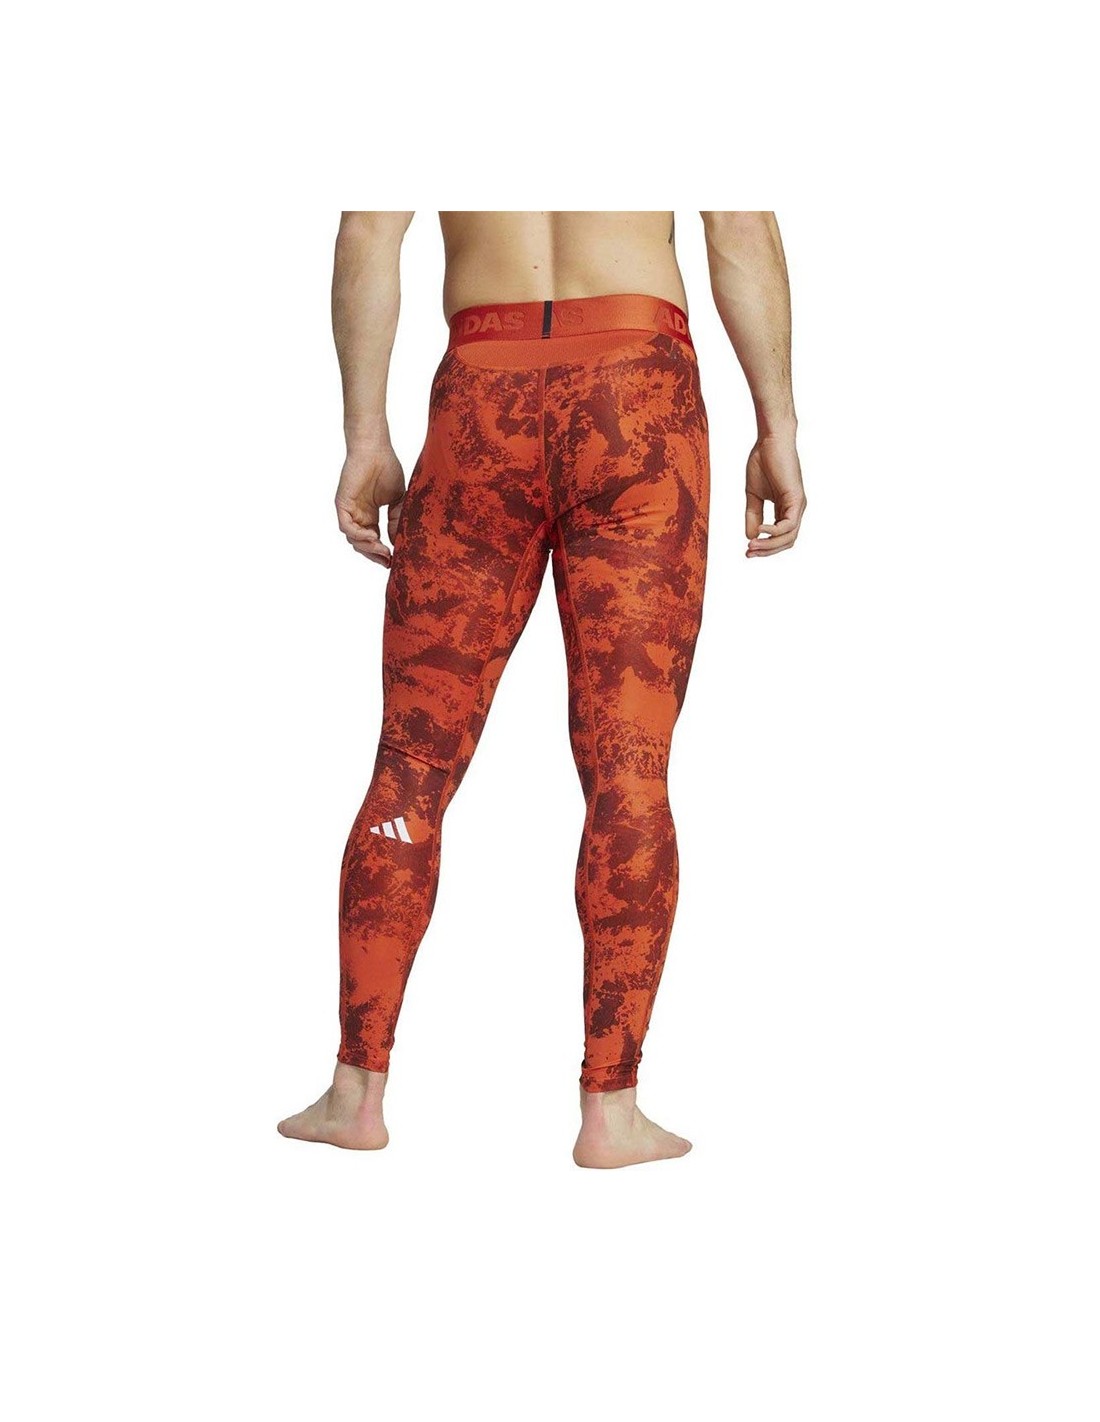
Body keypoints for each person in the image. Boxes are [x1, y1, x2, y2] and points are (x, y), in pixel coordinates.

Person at [278, 211, 806, 1167]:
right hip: (637, 397)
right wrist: (779, 426)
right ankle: (612, 1111)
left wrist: (365, 435)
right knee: (629, 769)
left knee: (411, 764)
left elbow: (368, 235)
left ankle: (355, 1093)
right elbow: (736, 224)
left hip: (482, 394)